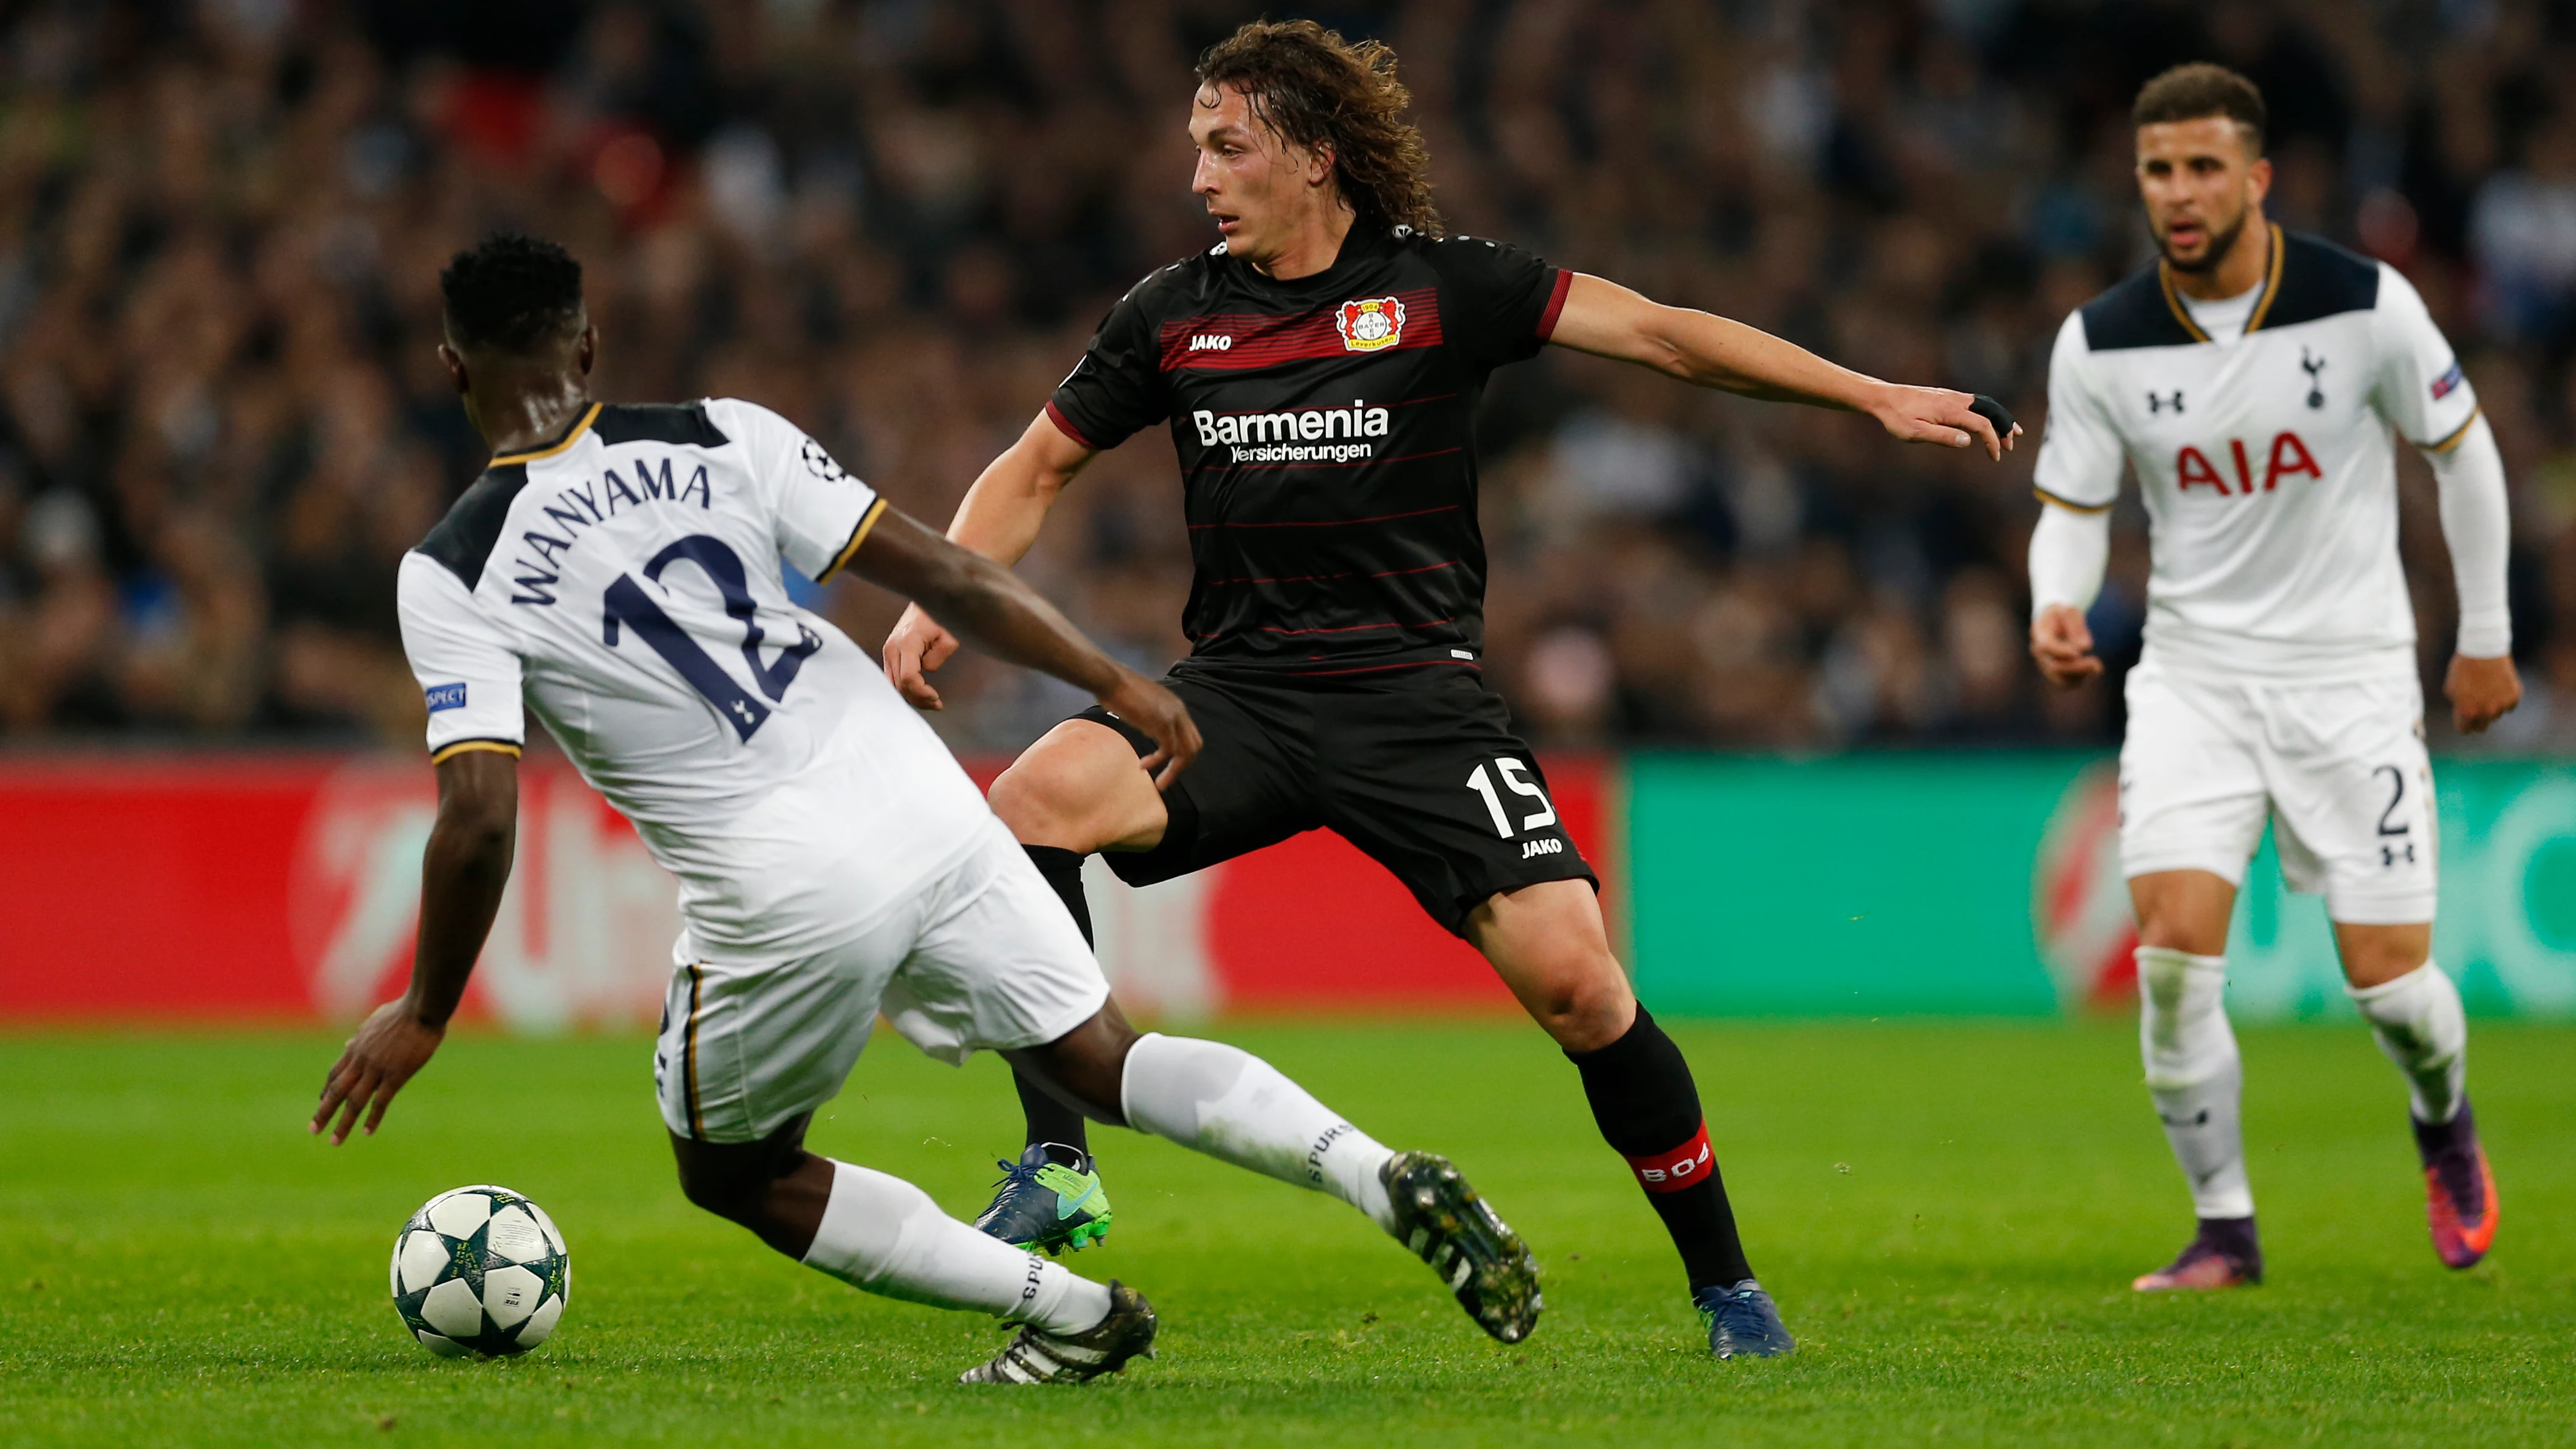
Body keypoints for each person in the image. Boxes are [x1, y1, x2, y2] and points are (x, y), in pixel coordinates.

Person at [880, 19, 2019, 1359]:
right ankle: (1061, 1161)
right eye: (1196, 145)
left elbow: (1659, 336)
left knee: (1580, 992)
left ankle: (1726, 1287)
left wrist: (1868, 394)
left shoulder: (1439, 289)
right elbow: (1030, 470)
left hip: (1420, 705)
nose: (1198, 174)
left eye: (1225, 145)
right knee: (1031, 803)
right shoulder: (1171, 314)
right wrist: (934, 594)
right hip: (1236, 698)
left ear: (1311, 155)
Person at [308, 233, 1543, 1385]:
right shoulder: (721, 435)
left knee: (736, 1170)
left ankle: (1068, 1317)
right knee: (1104, 1062)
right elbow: (948, 570)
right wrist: (1112, 679)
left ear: (451, 369)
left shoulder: (454, 570)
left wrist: (422, 1013)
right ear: (586, 348)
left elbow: (477, 816)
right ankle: (1376, 1174)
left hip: (784, 877)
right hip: (920, 796)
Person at [2026, 64, 2517, 1291]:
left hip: (2346, 678)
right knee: (2172, 950)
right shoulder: (2098, 342)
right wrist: (2053, 600)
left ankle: (2441, 1121)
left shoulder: (2362, 306)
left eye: (2200, 168)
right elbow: (2072, 508)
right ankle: (2222, 1231)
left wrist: (2484, 633)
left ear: (2255, 179)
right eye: (2155, 170)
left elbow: (2463, 459)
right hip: (2192, 679)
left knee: (2390, 986)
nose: (2176, 193)